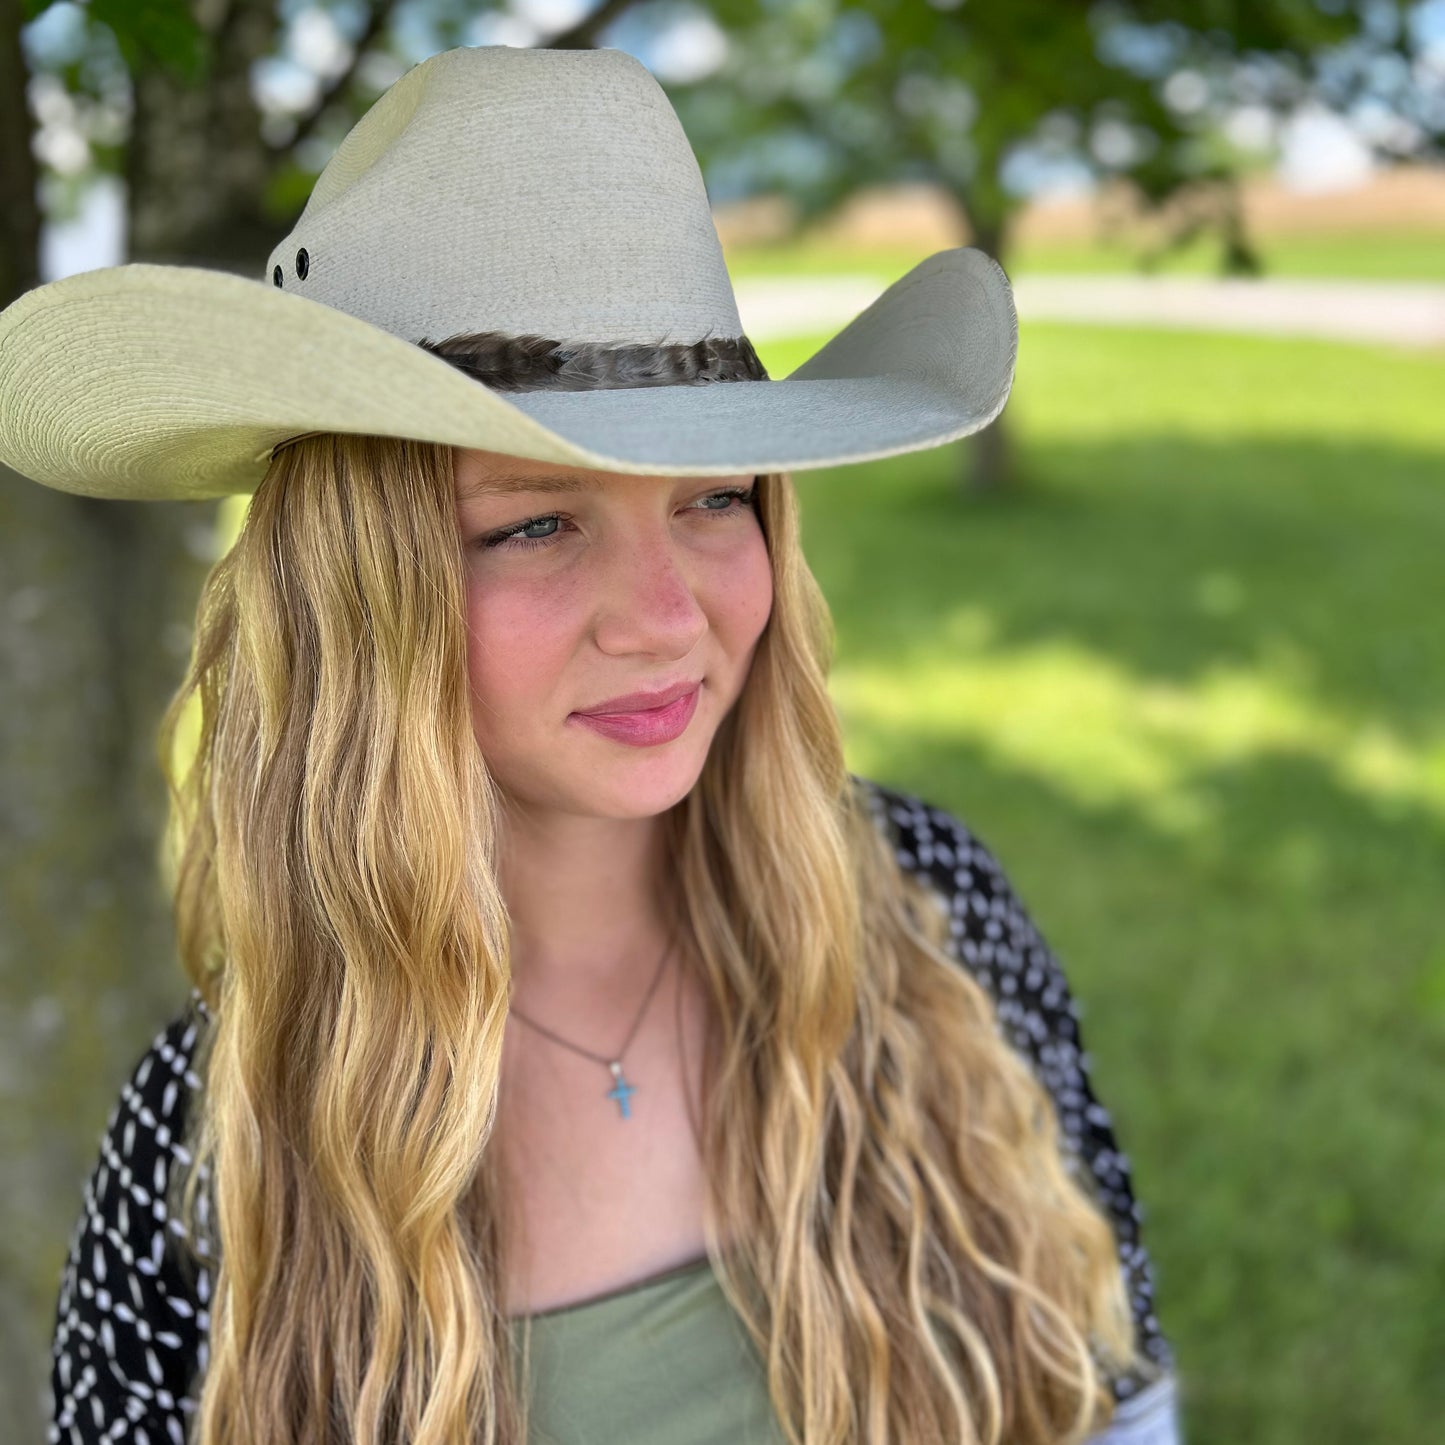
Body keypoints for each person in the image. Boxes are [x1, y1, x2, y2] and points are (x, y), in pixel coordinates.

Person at [0, 43, 1183, 1445]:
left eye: (714, 498)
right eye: (538, 524)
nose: (665, 617)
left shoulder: (933, 915)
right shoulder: (209, 1158)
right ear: (355, 595)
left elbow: (1117, 1398)